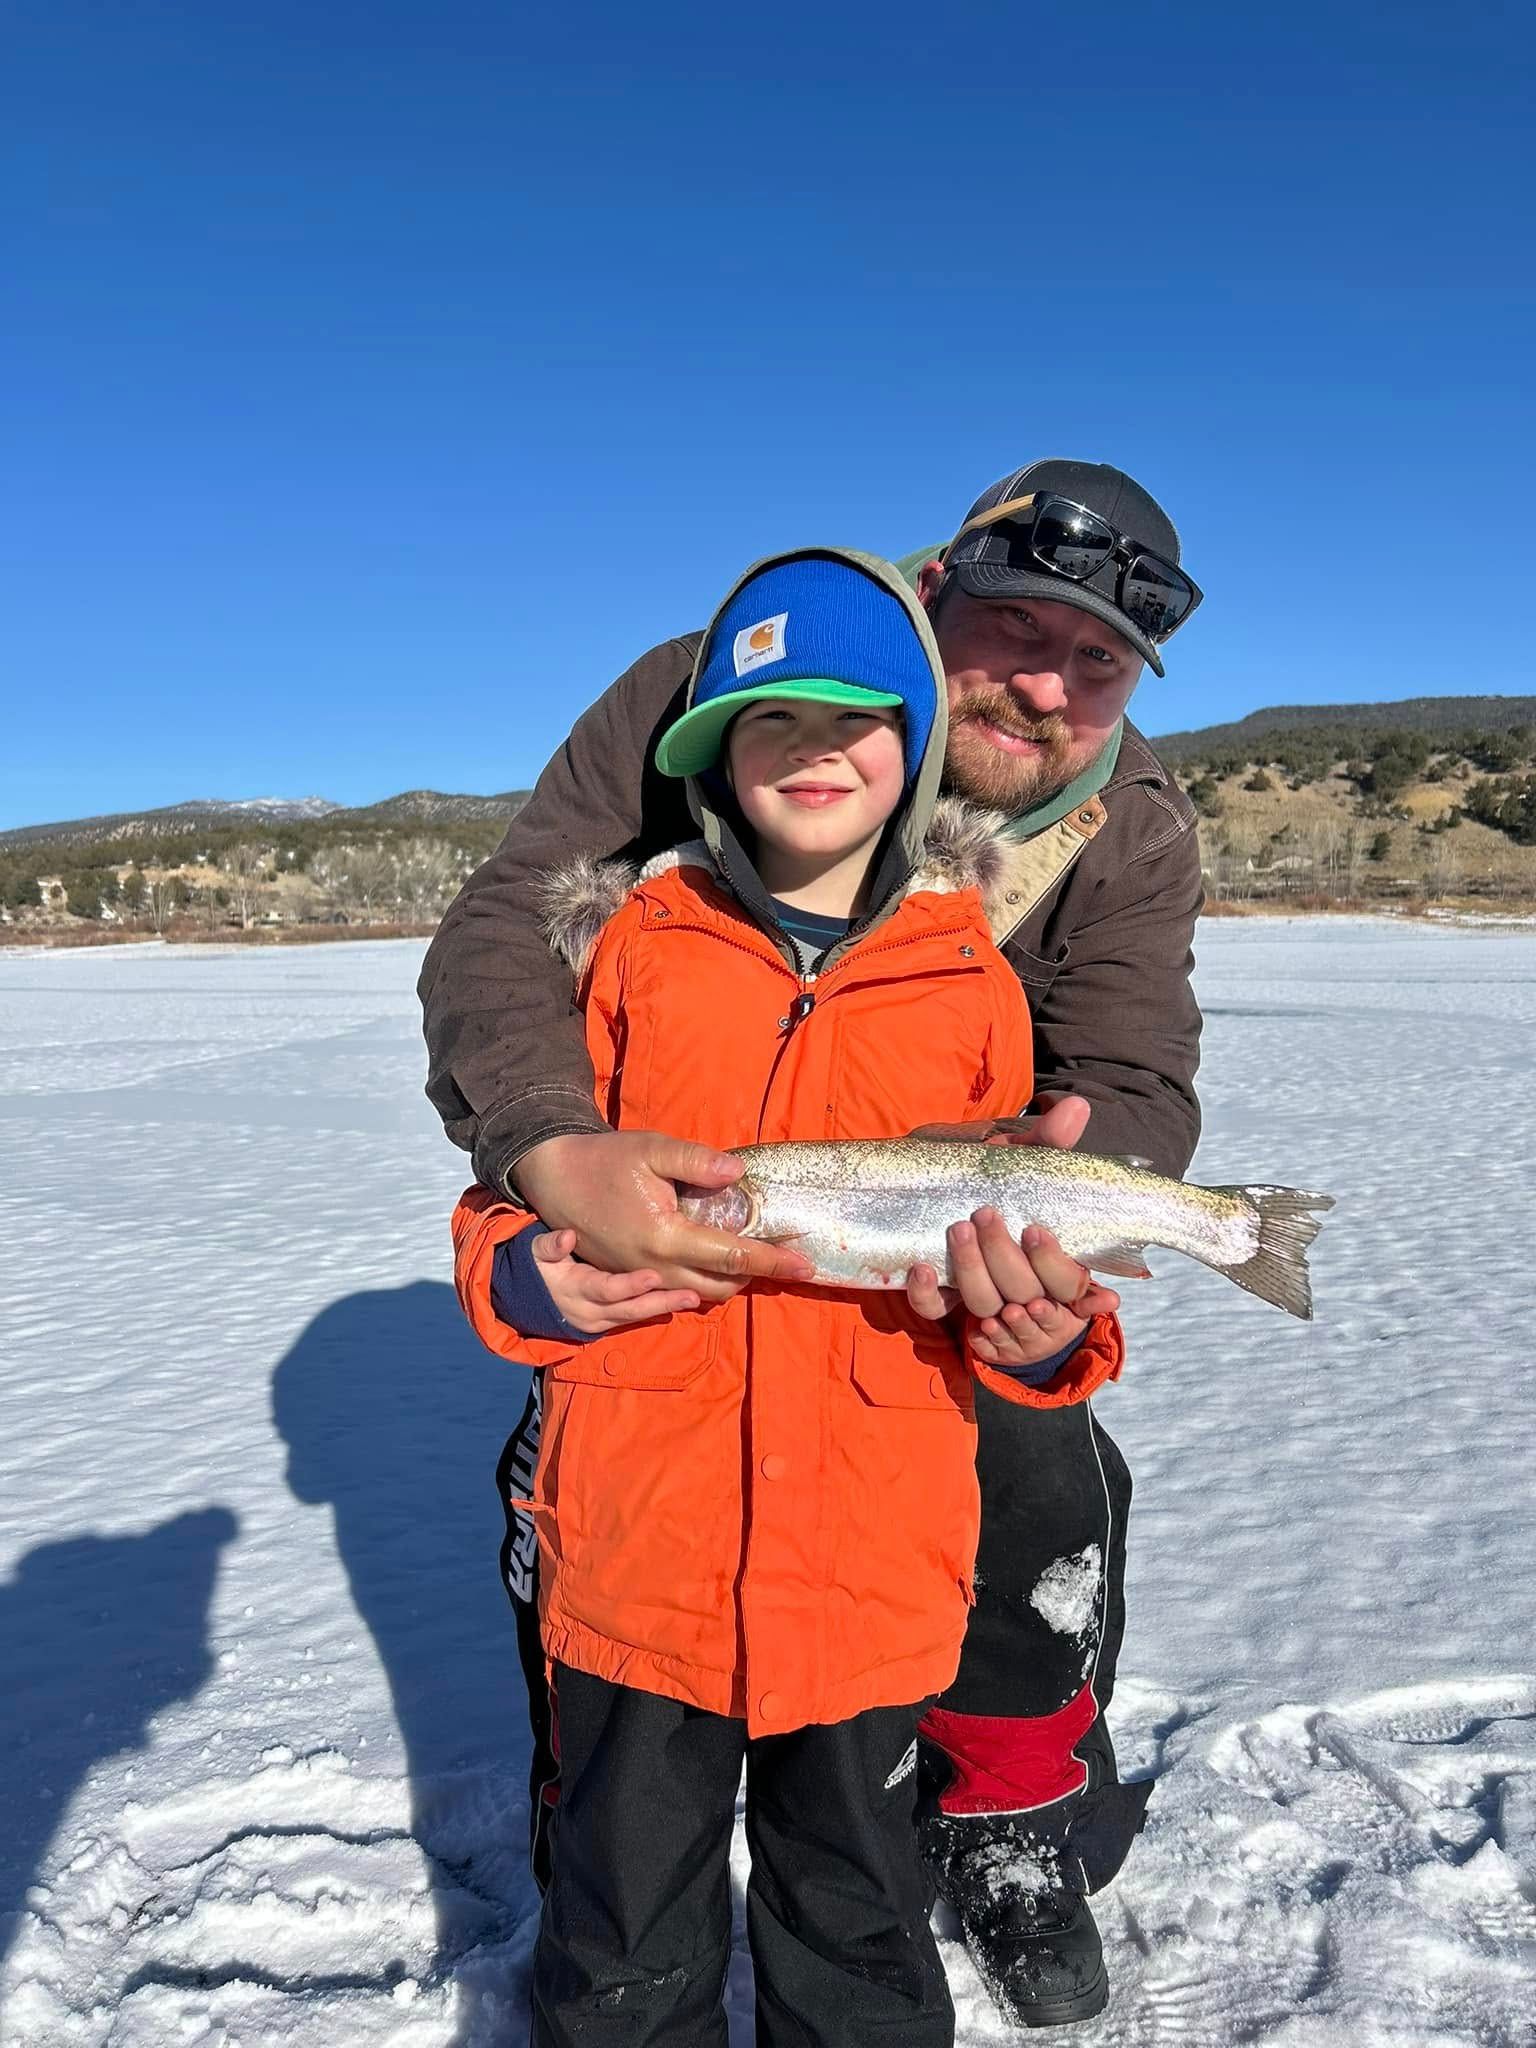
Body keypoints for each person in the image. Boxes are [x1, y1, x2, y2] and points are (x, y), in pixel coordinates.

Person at [419, 460, 1206, 2028]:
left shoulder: (1132, 830)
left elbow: (1132, 1076)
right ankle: (605, 1834)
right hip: (680, 1210)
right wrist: (555, 1158)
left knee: (1052, 1498)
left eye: (1099, 664)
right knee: (592, 1506)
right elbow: (509, 924)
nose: (1051, 688)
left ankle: (1004, 1819)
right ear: (935, 600)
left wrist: (1077, 1198)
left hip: (927, 1250)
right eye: (1015, 631)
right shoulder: (737, 675)